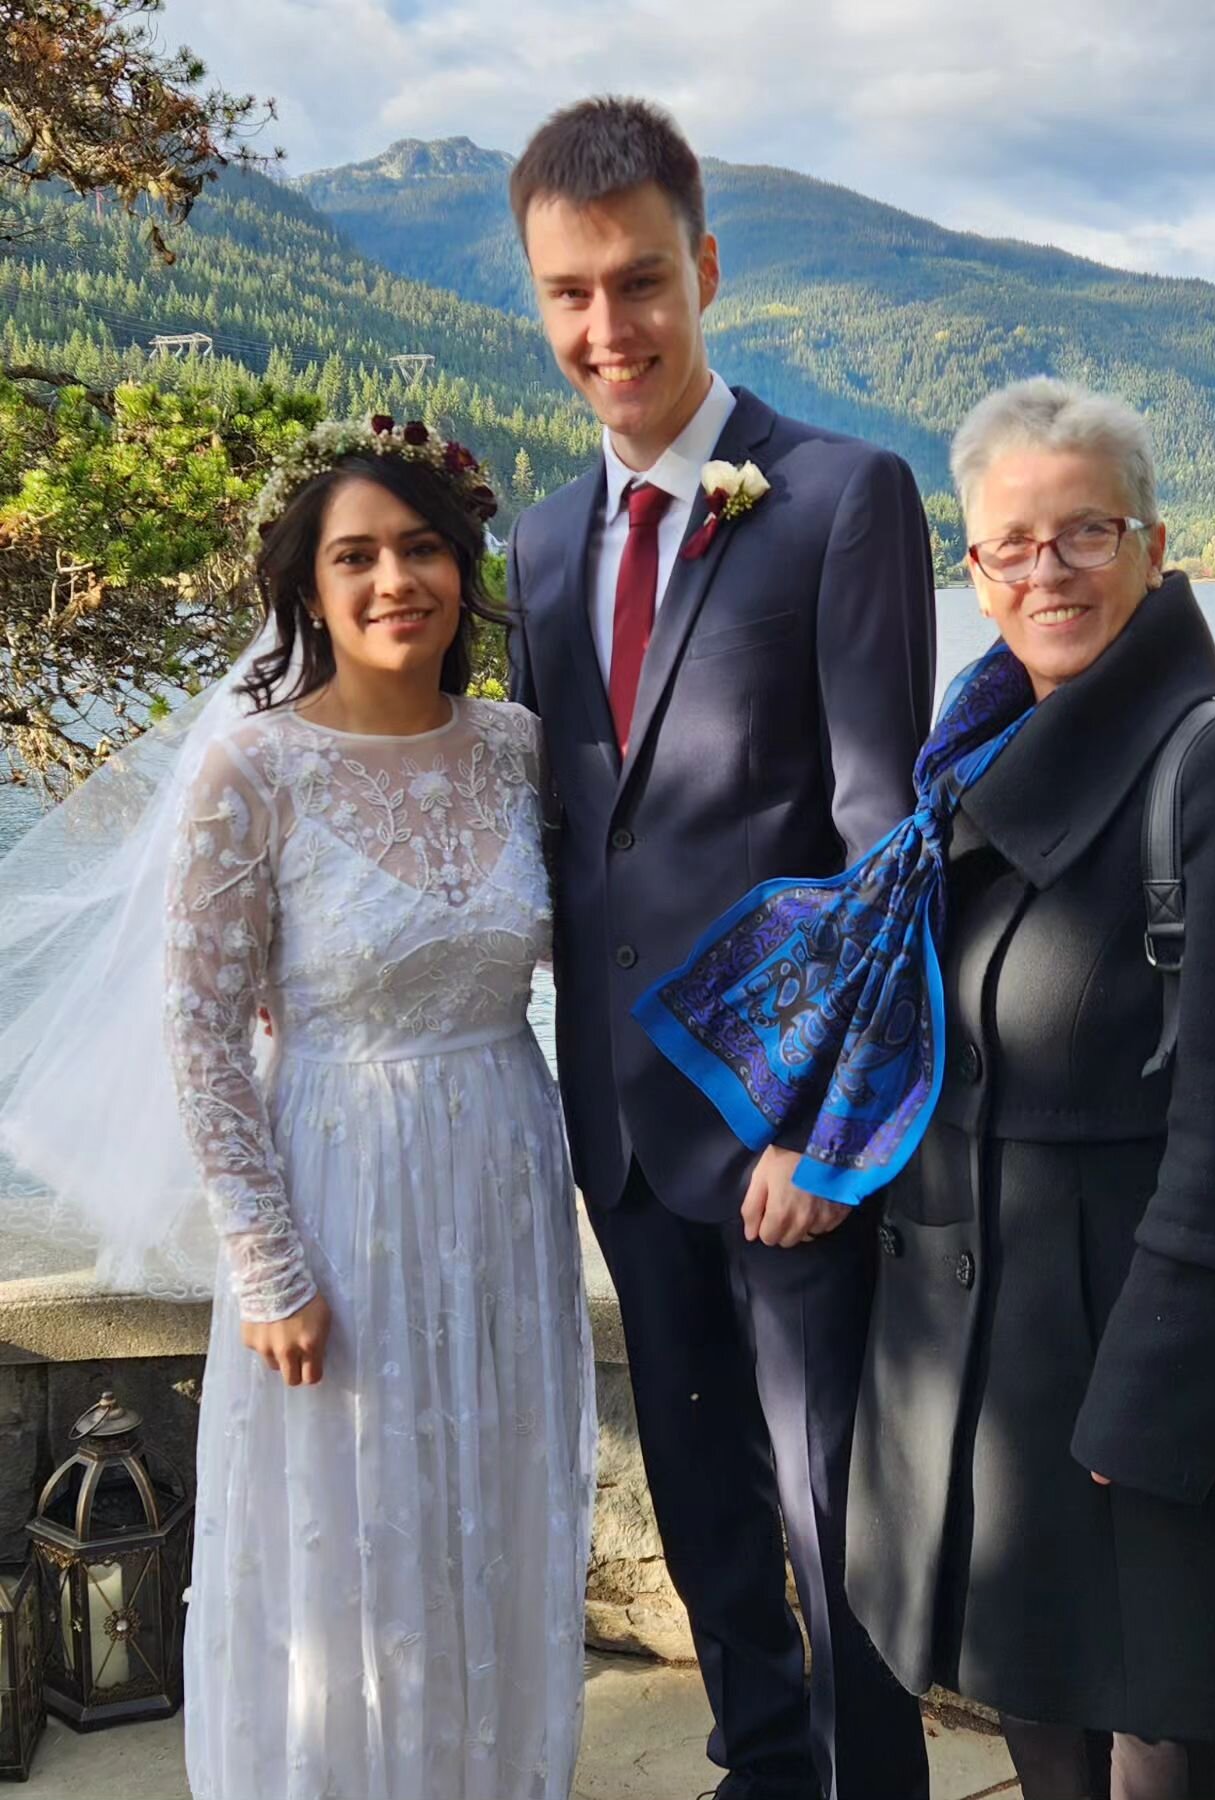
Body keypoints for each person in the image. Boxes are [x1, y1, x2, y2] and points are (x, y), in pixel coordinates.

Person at [637, 378, 1215, 1800]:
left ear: (1154, 543)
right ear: (972, 566)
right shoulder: (972, 757)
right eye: (1011, 544)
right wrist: (820, 1148)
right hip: (976, 1376)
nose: (1046, 572)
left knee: (1146, 1756)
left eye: (1086, 533)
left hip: (1128, 1373)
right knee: (1038, 1733)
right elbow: (915, 1025)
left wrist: (1149, 1414)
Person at [0, 418, 595, 1800]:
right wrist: (266, 1264)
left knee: (490, 1513)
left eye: (424, 549)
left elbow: (595, 943)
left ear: (465, 570)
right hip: (342, 1186)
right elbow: (201, 1031)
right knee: (357, 1543)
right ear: (311, 591)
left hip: (504, 1172)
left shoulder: (518, 749)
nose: (399, 580)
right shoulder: (255, 769)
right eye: (359, 556)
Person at [505, 97, 934, 1800]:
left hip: (781, 1145)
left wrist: (825, 1134)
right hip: (619, 1127)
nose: (607, 331)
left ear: (706, 268)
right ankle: (760, 1777)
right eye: (568, 296)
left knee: (836, 1532)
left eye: (639, 283)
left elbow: (879, 839)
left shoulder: (840, 496)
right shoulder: (538, 546)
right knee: (700, 1515)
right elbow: (564, 838)